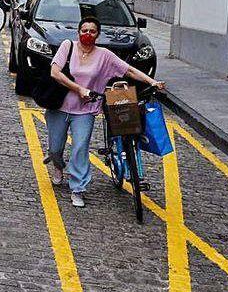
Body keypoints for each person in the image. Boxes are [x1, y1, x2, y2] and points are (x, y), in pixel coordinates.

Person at [46, 16, 165, 207]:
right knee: (55, 149)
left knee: (80, 148)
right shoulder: (67, 46)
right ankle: (58, 166)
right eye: (84, 31)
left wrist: (152, 82)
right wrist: (79, 89)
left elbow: (129, 71)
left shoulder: (104, 55)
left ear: (98, 34)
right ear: (78, 32)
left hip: (85, 110)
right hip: (58, 107)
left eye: (92, 31)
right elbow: (55, 73)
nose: (88, 34)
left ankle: (78, 189)